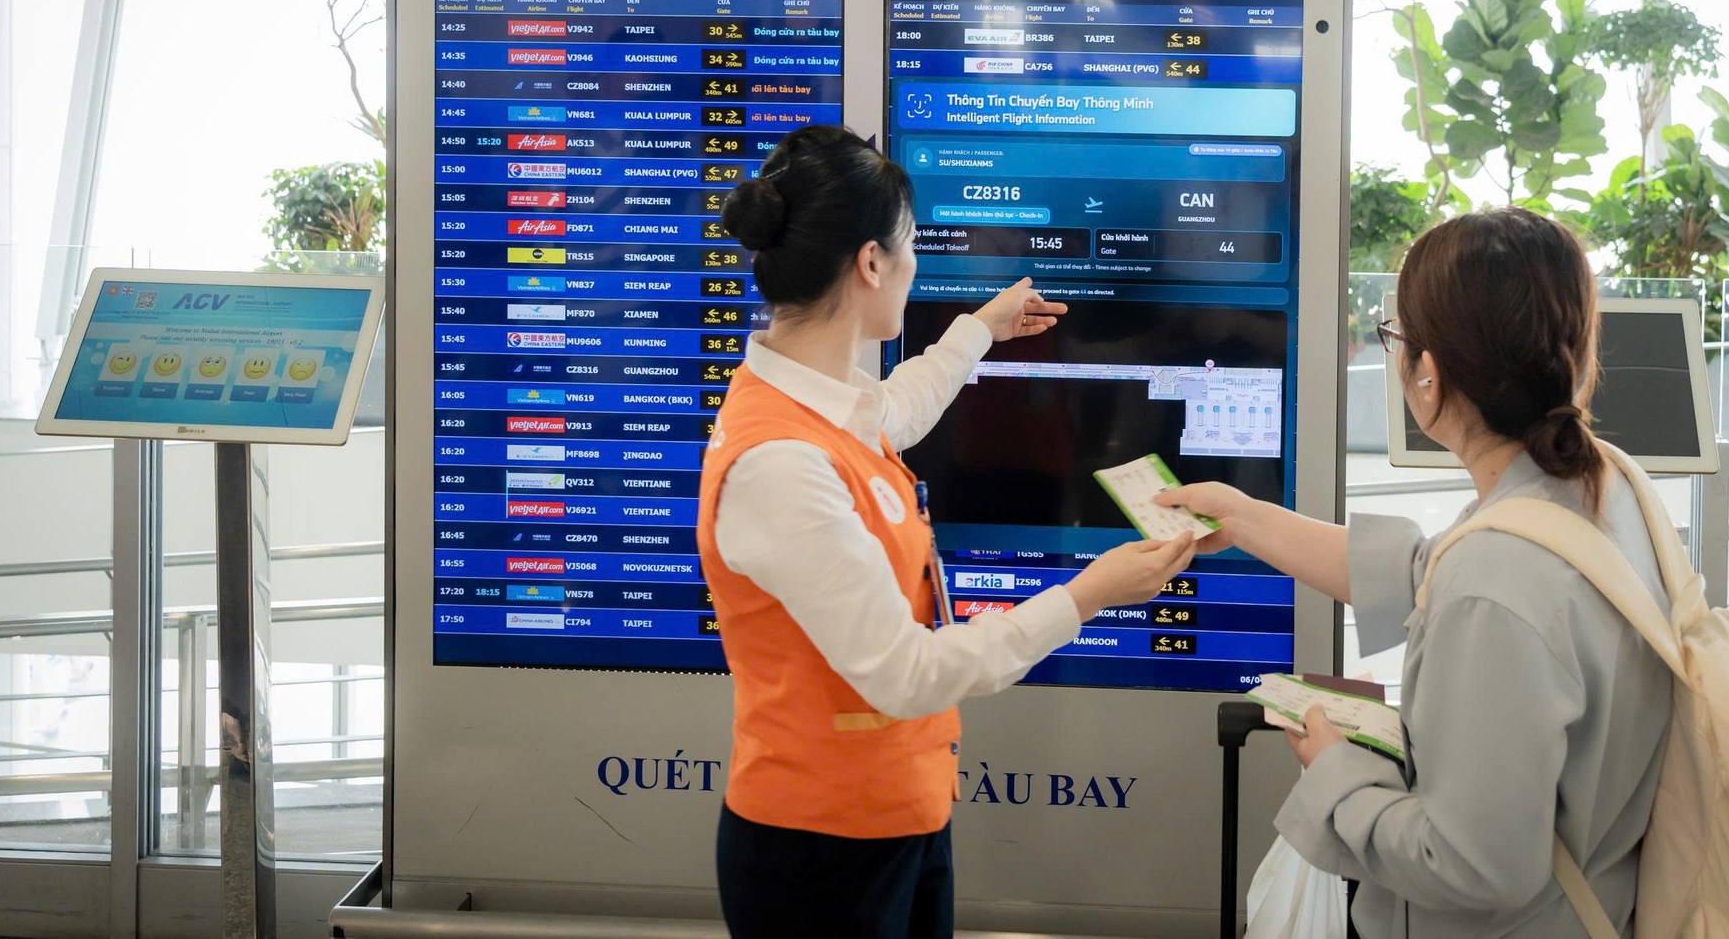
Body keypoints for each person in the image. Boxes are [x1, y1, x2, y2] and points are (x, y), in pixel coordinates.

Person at [698, 125, 1197, 939]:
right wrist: (1087, 596)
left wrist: (980, 330)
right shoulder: (781, 463)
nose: (915, 263)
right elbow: (907, 674)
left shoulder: (812, 402)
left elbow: (896, 407)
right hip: (821, 854)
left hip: (891, 818)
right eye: (911, 244)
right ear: (871, 263)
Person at [1163, 208, 1676, 937]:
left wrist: (1337, 771)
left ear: (1427, 375)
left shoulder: (1495, 579)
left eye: (1396, 337)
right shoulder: (1603, 487)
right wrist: (1244, 519)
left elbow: (1472, 865)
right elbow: (1426, 572)